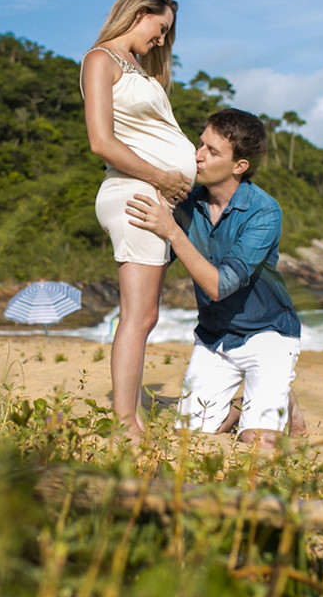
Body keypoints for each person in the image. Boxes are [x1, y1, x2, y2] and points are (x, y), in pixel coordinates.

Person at [126, 108, 306, 449]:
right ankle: (245, 404)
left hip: (267, 334)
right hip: (214, 338)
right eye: (200, 145)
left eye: (212, 151)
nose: (198, 155)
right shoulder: (187, 203)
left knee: (258, 442)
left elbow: (221, 286)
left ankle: (278, 394)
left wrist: (173, 233)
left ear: (239, 166)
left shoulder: (264, 211)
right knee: (189, 435)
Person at [82, 0, 196, 441]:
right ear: (139, 12)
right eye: (161, 27)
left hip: (154, 194)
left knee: (144, 314)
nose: (163, 39)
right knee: (138, 315)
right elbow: (101, 141)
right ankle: (125, 422)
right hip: (136, 193)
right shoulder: (100, 60)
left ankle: (129, 418)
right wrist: (164, 178)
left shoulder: (139, 69)